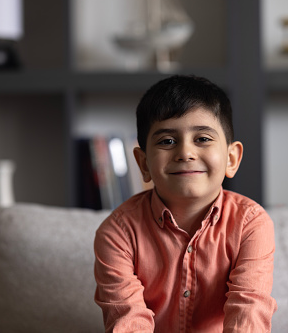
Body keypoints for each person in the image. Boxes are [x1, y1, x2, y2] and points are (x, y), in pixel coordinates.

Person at [94, 75, 277, 332]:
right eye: (167, 141)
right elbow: (128, 320)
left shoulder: (251, 224)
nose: (185, 153)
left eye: (202, 138)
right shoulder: (117, 233)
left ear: (231, 158)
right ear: (144, 164)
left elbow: (248, 313)